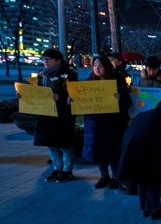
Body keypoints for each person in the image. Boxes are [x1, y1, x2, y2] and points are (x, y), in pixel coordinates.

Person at [117, 99, 161, 219]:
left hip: (130, 145)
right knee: (152, 178)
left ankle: (145, 207)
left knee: (142, 178)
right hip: (146, 148)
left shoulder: (148, 113)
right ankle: (155, 209)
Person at [75, 56, 132, 189]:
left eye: (100, 66)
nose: (97, 68)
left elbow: (127, 103)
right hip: (94, 123)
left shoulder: (117, 80)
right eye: (95, 65)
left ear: (106, 67)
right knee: (98, 151)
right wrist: (73, 101)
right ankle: (104, 176)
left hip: (112, 123)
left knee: (112, 152)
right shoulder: (89, 82)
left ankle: (115, 177)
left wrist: (120, 98)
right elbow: (82, 101)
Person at [30, 49, 78, 183]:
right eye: (43, 59)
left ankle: (67, 170)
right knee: (51, 142)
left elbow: (75, 93)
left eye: (48, 59)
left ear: (58, 61)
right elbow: (37, 92)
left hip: (63, 113)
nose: (45, 62)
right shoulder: (42, 74)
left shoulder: (68, 74)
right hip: (47, 113)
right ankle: (57, 168)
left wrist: (61, 97)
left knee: (64, 142)